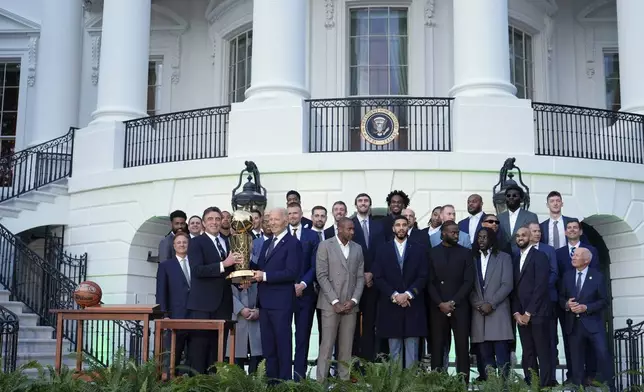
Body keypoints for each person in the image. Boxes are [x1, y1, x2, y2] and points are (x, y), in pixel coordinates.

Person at [186, 207, 241, 374]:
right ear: (203, 223)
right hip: (202, 305)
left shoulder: (228, 241)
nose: (214, 222)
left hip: (223, 303)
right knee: (199, 349)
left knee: (218, 349)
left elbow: (228, 272)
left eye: (217, 219)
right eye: (210, 219)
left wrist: (241, 280)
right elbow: (197, 270)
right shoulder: (196, 242)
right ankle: (198, 383)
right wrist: (224, 264)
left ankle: (215, 383)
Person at [251, 208, 301, 381]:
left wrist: (264, 276)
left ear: (286, 221)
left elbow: (292, 272)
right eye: (269, 219)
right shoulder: (266, 243)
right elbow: (260, 268)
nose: (271, 222)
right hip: (264, 303)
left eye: (275, 219)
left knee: (283, 345)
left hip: (281, 303)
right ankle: (271, 382)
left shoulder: (293, 243)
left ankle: (285, 383)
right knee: (268, 347)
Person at [373, 216, 428, 368]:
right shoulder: (383, 249)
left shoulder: (419, 248)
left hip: (413, 305)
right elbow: (378, 276)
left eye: (404, 225)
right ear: (393, 228)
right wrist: (395, 295)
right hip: (391, 305)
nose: (401, 228)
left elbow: (423, 275)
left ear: (408, 227)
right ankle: (395, 384)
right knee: (394, 349)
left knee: (412, 349)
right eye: (398, 225)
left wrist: (409, 294)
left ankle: (411, 386)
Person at [315, 217, 365, 383]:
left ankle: (343, 385)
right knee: (327, 347)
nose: (352, 232)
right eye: (349, 229)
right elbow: (321, 275)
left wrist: (354, 300)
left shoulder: (357, 248)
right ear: (339, 228)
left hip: (350, 306)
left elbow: (360, 278)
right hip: (330, 305)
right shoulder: (325, 245)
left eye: (353, 229)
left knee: (346, 348)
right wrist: (335, 301)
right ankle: (320, 384)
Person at [559, 247, 614, 391]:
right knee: (576, 362)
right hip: (574, 325)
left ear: (586, 260)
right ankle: (578, 387)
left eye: (577, 255)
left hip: (593, 325)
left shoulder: (597, 276)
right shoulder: (567, 276)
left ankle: (609, 386)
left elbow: (604, 301)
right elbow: (560, 298)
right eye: (573, 255)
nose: (573, 257)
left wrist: (586, 307)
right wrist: (567, 304)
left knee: (602, 355)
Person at [427, 220, 473, 381]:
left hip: (459, 307)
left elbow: (468, 281)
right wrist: (440, 303)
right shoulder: (432, 253)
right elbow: (429, 282)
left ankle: (462, 382)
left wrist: (453, 302)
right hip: (437, 308)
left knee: (461, 347)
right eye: (452, 232)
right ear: (443, 233)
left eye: (457, 232)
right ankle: (437, 382)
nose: (456, 235)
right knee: (437, 346)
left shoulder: (466, 253)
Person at [511, 226, 553, 387]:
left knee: (542, 351)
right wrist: (517, 313)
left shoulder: (540, 256)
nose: (520, 238)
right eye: (518, 236)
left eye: (523, 235)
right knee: (527, 352)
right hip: (520, 314)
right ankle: (531, 383)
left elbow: (540, 286)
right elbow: (513, 288)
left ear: (531, 237)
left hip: (538, 313)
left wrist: (529, 312)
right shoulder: (515, 259)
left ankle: (545, 385)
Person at [469, 228, 514, 379]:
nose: (481, 240)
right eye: (479, 237)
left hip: (498, 312)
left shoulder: (504, 258)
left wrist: (491, 303)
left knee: (502, 359)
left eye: (484, 237)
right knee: (485, 358)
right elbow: (467, 285)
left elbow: (507, 284)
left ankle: (503, 387)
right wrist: (478, 304)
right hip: (479, 313)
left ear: (492, 239)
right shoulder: (471, 258)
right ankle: (489, 385)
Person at [156, 231, 191, 377]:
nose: (182, 245)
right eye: (179, 242)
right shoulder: (166, 265)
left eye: (184, 242)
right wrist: (164, 314)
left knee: (194, 356)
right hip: (175, 317)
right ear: (174, 246)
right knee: (172, 356)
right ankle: (170, 384)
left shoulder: (195, 263)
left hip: (196, 316)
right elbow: (161, 292)